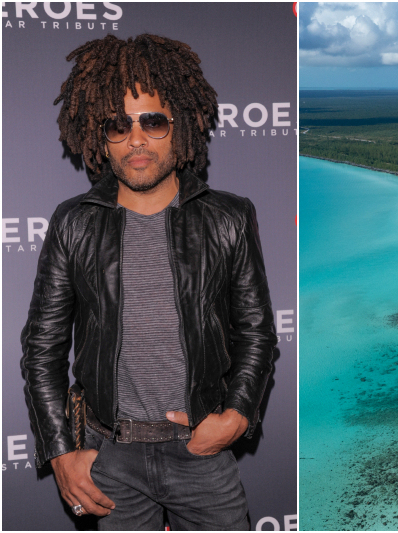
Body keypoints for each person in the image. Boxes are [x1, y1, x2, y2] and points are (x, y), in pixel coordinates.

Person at [20, 33, 277, 530]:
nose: (136, 139)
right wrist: (59, 453)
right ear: (101, 135)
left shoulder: (229, 216)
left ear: (179, 126)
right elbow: (43, 347)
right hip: (108, 458)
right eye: (118, 125)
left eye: (152, 121)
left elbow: (257, 331)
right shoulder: (73, 222)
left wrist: (238, 415)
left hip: (201, 452)